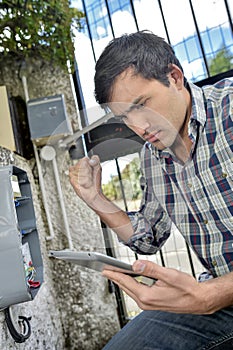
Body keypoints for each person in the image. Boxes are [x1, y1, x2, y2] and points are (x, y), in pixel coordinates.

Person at [69, 31, 233, 349]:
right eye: (125, 117)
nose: (140, 128)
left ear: (174, 77)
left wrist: (212, 294)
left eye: (142, 105)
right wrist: (95, 199)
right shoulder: (153, 156)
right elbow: (146, 237)